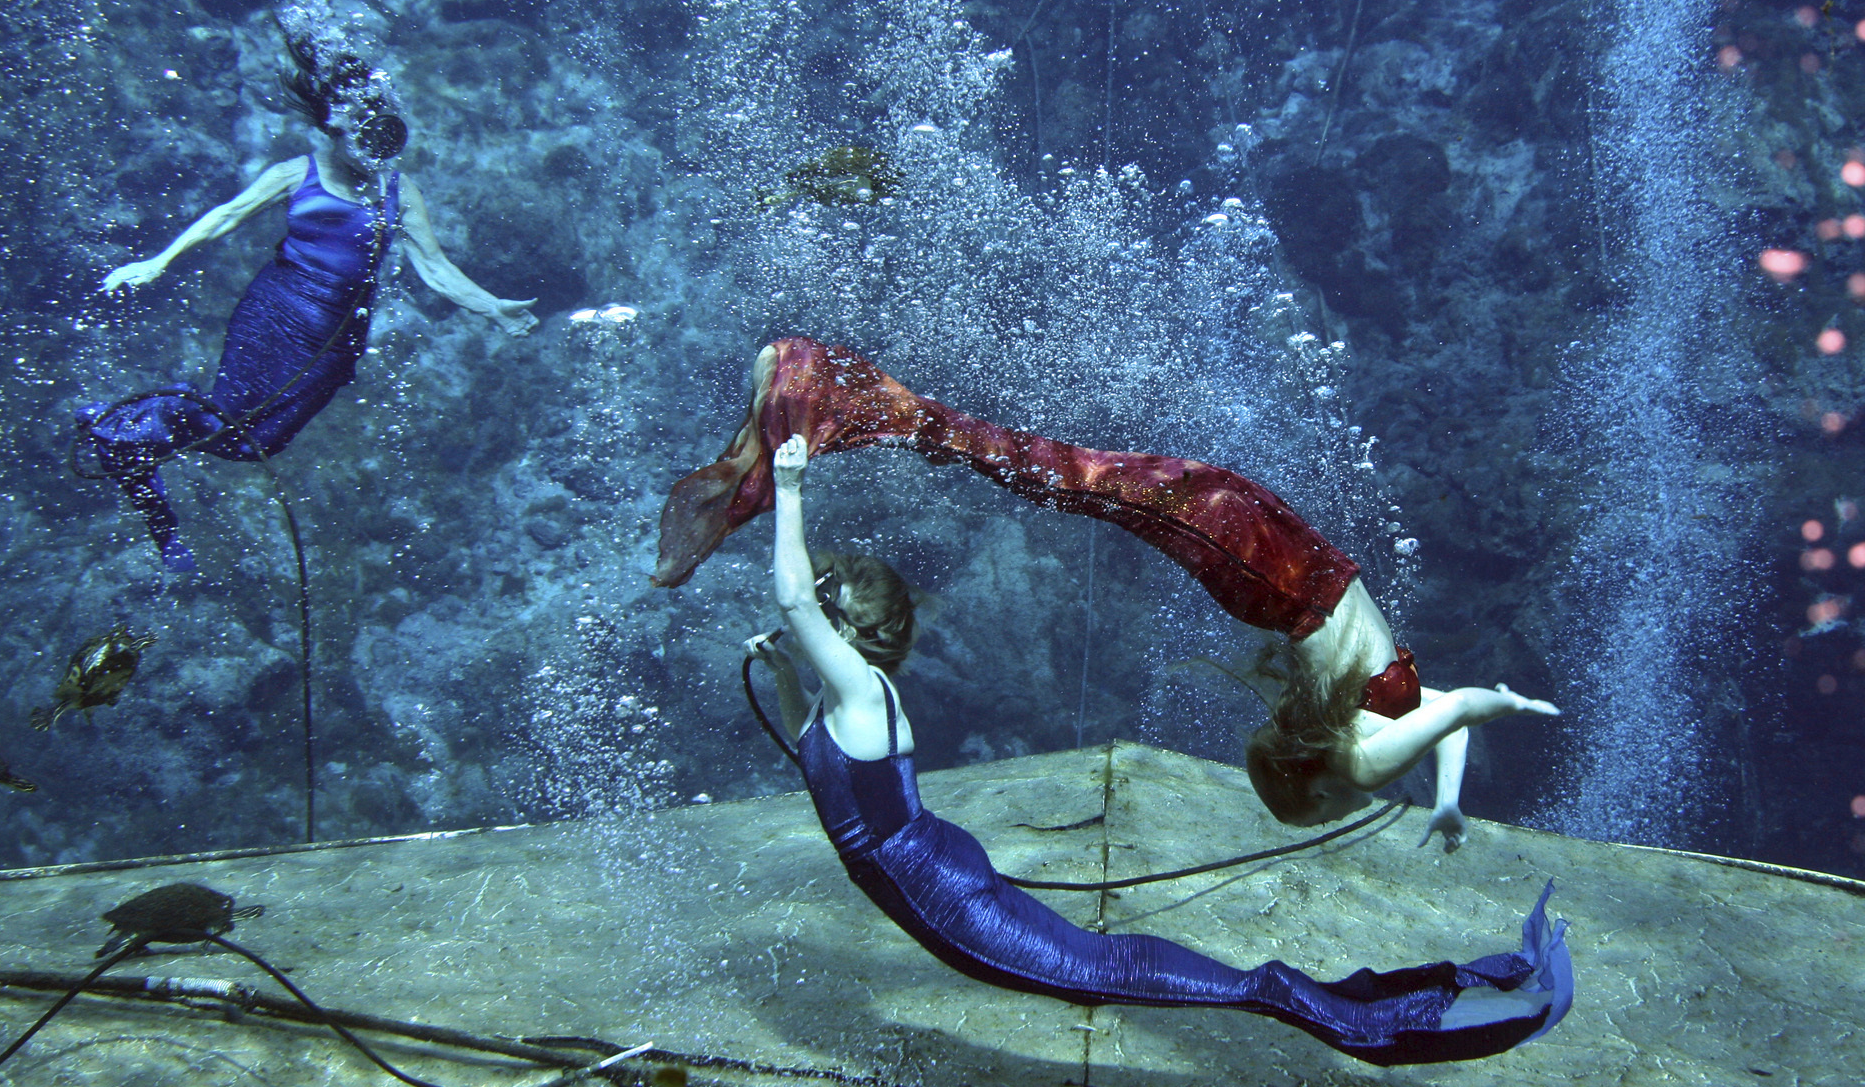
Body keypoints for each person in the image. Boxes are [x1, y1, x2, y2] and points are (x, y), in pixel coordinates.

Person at [743, 433, 1571, 1067]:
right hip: (946, 878)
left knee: (1143, 974)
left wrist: (790, 489)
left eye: (816, 623)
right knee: (1123, 964)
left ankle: (1429, 1014)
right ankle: (1458, 990)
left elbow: (792, 597)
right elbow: (818, 748)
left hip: (951, 902)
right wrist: (784, 671)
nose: (802, 625)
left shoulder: (860, 696)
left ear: (842, 632)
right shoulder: (843, 704)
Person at [656, 337, 1558, 852]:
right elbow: (1461, 708)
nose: (1348, 810)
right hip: (1266, 563)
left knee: (1066, 475)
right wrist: (1503, 715)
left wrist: (1450, 798)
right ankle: (842, 394)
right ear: (1313, 791)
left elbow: (1450, 714)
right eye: (1326, 812)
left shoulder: (1360, 741)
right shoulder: (1361, 760)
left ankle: (855, 400)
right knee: (1064, 477)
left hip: (1273, 546)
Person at [75, 0, 535, 570]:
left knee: (258, 444)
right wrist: (158, 262)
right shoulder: (297, 174)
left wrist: (492, 307)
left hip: (335, 341)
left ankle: (133, 428)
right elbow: (224, 217)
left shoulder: (399, 193)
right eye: (362, 132)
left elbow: (435, 268)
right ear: (334, 125)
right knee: (229, 424)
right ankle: (137, 440)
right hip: (275, 313)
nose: (373, 150)